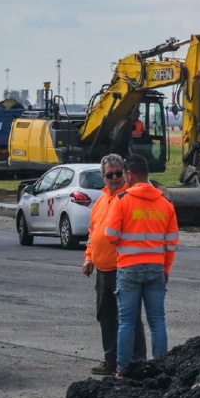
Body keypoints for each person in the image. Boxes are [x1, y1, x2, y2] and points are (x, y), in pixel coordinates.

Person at [103, 153, 179, 379]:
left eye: (123, 174)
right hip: (156, 269)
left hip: (129, 268)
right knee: (157, 321)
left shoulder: (122, 200)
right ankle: (161, 368)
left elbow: (110, 235)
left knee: (126, 321)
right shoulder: (165, 203)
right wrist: (166, 269)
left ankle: (123, 370)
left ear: (130, 174)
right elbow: (172, 241)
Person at [81, 154, 144, 375]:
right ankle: (111, 360)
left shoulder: (128, 198)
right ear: (103, 177)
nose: (115, 178)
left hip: (124, 268)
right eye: (110, 175)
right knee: (105, 316)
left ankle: (137, 362)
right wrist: (89, 257)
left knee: (129, 318)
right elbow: (93, 232)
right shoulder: (100, 201)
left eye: (119, 173)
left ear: (125, 173)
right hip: (102, 269)